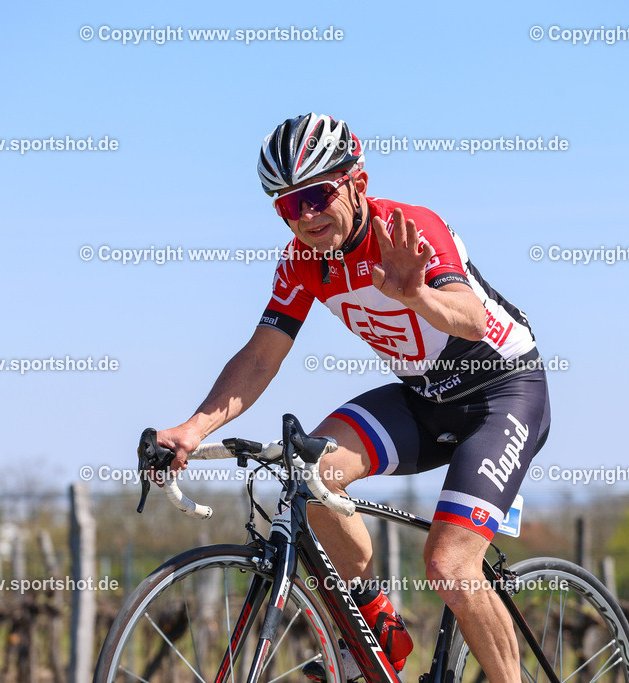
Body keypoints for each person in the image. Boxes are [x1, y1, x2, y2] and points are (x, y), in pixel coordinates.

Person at [155, 113, 550, 682]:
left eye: (317, 195)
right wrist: (192, 430)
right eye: (290, 207)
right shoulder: (301, 263)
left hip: (502, 393)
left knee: (448, 566)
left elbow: (468, 319)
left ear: (356, 182)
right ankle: (377, 631)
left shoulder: (408, 229)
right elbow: (261, 356)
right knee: (310, 474)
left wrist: (416, 294)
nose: (307, 217)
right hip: (422, 398)